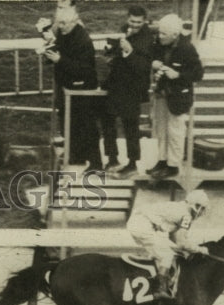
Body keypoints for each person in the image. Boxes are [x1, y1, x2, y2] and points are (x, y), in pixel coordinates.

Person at [44, 6, 102, 172]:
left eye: (63, 23)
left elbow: (84, 69)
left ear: (74, 22)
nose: (60, 26)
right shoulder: (64, 34)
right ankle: (76, 155)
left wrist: (59, 60)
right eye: (58, 22)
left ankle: (96, 163)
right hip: (67, 86)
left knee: (86, 125)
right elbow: (58, 50)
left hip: (82, 89)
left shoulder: (83, 40)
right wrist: (48, 50)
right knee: (68, 122)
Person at [146, 13, 204, 179]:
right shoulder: (159, 43)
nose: (159, 36)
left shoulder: (187, 49)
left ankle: (173, 165)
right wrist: (153, 62)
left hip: (178, 97)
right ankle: (162, 160)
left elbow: (198, 73)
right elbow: (150, 54)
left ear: (175, 35)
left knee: (175, 130)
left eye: (164, 34)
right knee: (161, 129)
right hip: (162, 94)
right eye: (159, 32)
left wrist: (178, 75)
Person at [100, 5, 154, 176]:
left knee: (130, 126)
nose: (135, 25)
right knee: (107, 121)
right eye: (132, 21)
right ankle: (112, 159)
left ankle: (132, 163)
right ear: (127, 19)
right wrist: (110, 49)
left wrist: (129, 52)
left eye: (138, 22)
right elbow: (114, 51)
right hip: (116, 84)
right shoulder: (124, 30)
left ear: (145, 21)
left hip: (132, 88)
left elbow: (143, 67)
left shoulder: (148, 39)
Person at [126, 190, 210, 299]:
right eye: (202, 208)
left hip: (139, 222)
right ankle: (159, 289)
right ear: (195, 205)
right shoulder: (186, 215)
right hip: (142, 225)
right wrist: (199, 249)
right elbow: (181, 243)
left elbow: (174, 239)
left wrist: (186, 249)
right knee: (167, 255)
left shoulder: (181, 208)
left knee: (167, 250)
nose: (202, 212)